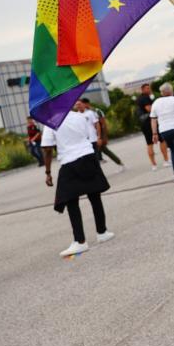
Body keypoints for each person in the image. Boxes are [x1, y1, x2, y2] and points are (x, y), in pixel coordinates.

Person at [41, 106, 115, 257]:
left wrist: (48, 172)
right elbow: (89, 136)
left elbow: (47, 149)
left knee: (71, 202)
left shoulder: (50, 122)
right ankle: (102, 232)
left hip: (69, 161)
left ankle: (80, 241)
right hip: (88, 156)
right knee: (95, 197)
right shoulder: (80, 117)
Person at [79, 98, 124, 171]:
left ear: (86, 104)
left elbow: (103, 124)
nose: (80, 106)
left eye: (81, 104)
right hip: (91, 138)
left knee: (104, 151)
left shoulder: (96, 111)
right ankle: (119, 163)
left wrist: (104, 137)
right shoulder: (82, 114)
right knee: (101, 152)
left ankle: (119, 163)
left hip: (98, 136)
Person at [136, 83, 170, 171]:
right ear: (142, 90)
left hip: (144, 123)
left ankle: (153, 164)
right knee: (162, 140)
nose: (149, 89)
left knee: (149, 143)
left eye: (149, 88)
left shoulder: (139, 98)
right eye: (147, 88)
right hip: (150, 122)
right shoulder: (145, 98)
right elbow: (149, 109)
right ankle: (166, 160)